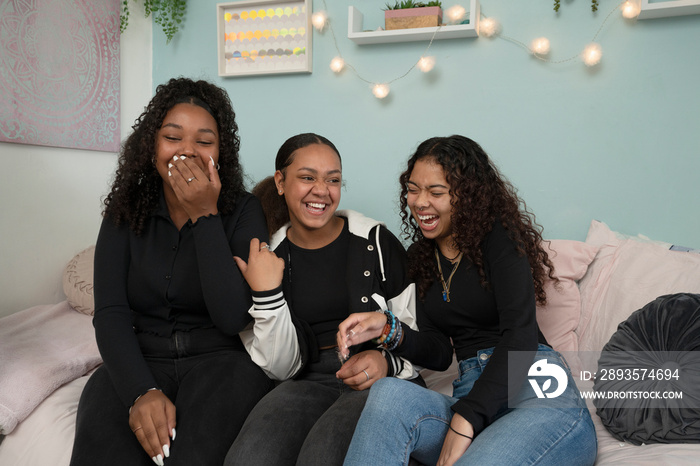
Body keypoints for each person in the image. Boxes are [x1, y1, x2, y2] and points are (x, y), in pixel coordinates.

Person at [338, 135, 597, 466]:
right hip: (471, 395)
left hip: (536, 393)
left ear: (467, 196)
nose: (419, 202)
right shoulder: (421, 256)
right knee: (388, 396)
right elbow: (439, 350)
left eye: (436, 192)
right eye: (413, 189)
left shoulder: (499, 237)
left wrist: (467, 419)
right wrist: (388, 329)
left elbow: (521, 335)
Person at [69, 78, 274, 466]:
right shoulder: (125, 210)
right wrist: (140, 391)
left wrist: (205, 215)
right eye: (172, 137)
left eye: (204, 140)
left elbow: (233, 317)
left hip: (222, 364)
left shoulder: (244, 210)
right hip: (142, 360)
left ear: (220, 153)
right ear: (152, 147)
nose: (187, 150)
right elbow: (110, 314)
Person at [225, 133, 420, 466]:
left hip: (376, 379)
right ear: (280, 182)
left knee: (321, 456)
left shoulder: (375, 241)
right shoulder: (266, 257)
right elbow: (280, 367)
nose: (321, 190)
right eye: (307, 177)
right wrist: (268, 292)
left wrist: (386, 362)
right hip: (303, 382)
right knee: (247, 458)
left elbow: (417, 334)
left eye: (333, 180)